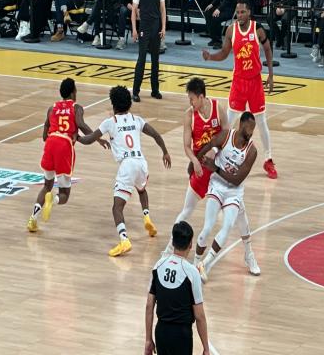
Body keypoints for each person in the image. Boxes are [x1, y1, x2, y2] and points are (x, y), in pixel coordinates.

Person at [78, 85, 171, 256]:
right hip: (141, 163)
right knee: (141, 190)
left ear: (113, 105)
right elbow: (156, 135)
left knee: (117, 208)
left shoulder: (110, 122)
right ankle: (147, 217)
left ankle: (124, 240)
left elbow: (89, 139)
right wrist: (165, 152)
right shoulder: (137, 119)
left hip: (127, 165)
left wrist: (75, 137)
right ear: (129, 104)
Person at [202, 0, 278, 180]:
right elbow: (224, 53)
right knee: (228, 122)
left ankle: (268, 159)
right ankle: (215, 153)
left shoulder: (257, 29)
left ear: (249, 12)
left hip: (255, 81)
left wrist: (270, 74)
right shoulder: (231, 30)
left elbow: (268, 49)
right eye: (238, 12)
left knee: (261, 122)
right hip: (239, 82)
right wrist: (210, 57)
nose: (240, 15)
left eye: (243, 12)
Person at [27, 78, 109, 233]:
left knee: (47, 185)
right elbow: (82, 125)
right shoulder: (76, 107)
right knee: (64, 193)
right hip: (64, 145)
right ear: (73, 92)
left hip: (50, 143)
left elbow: (46, 128)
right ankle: (53, 200)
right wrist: (98, 139)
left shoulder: (52, 108)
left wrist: (48, 137)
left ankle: (33, 218)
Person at [163, 77, 228, 255]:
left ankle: (247, 251)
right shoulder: (189, 115)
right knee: (186, 211)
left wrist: (215, 149)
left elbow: (227, 134)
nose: (190, 103)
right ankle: (169, 249)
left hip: (219, 168)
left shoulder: (218, 108)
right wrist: (194, 161)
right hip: (201, 168)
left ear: (201, 97)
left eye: (192, 99)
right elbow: (186, 146)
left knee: (234, 211)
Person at [194, 111, 259, 281]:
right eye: (249, 128)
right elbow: (207, 148)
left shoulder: (252, 151)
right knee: (208, 226)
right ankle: (195, 263)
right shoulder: (225, 136)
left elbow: (237, 180)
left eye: (253, 129)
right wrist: (194, 162)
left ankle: (204, 263)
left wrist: (215, 168)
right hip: (217, 185)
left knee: (228, 226)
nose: (251, 132)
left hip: (234, 191)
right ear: (241, 124)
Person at [145, 221, 210, 355]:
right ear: (191, 244)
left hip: (161, 332)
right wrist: (206, 348)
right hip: (182, 336)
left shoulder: (158, 266)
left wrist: (148, 339)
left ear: (173, 242)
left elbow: (149, 306)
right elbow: (199, 316)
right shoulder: (192, 272)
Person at [131, 0, 166, 103]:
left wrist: (163, 27)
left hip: (156, 27)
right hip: (144, 27)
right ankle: (135, 91)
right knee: (142, 59)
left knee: (155, 60)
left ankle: (155, 90)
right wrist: (134, 29)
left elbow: (163, 10)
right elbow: (134, 10)